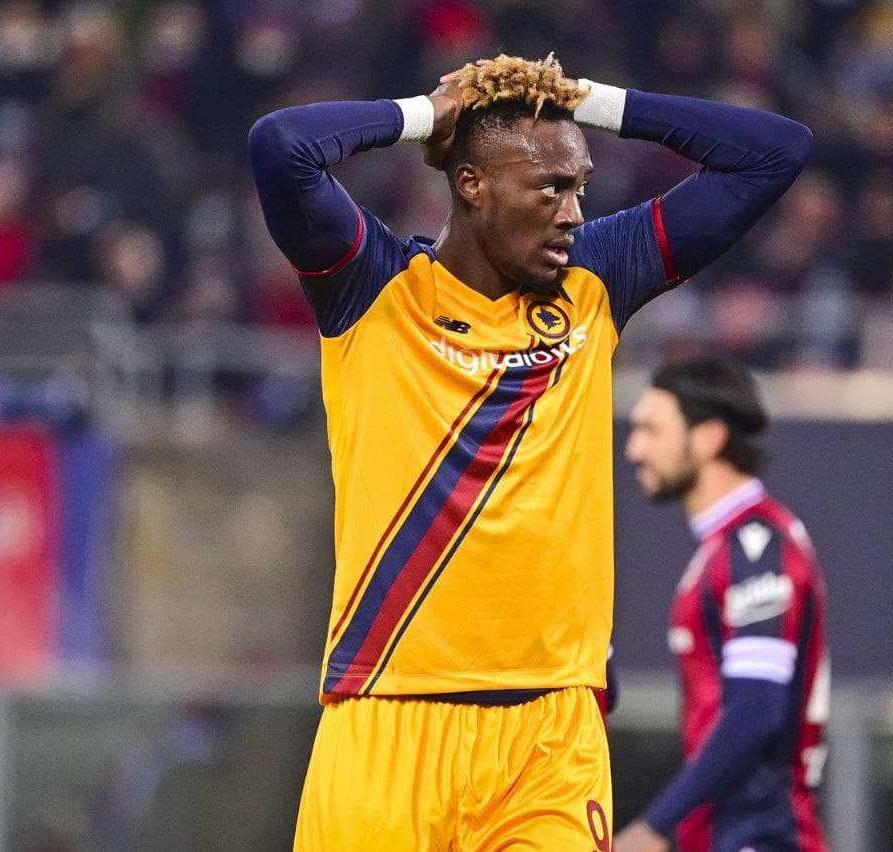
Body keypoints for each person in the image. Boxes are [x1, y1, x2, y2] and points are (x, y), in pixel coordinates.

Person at [248, 52, 811, 850]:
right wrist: (425, 116)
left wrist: (586, 101)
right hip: (388, 715)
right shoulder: (372, 287)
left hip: (550, 738)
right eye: (550, 189)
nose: (574, 213)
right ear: (472, 184)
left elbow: (775, 152)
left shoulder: (597, 279)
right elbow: (281, 146)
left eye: (580, 188)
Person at [617, 359, 830, 852]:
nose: (634, 450)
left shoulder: (756, 546)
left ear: (710, 437)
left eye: (652, 430)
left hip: (761, 835)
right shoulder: (730, 547)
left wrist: (652, 829)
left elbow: (755, 710)